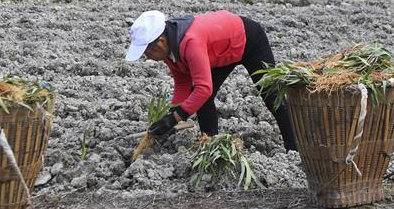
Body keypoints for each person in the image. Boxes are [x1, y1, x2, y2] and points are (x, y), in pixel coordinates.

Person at [125, 10, 297, 151]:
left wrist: (174, 118)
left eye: (147, 52)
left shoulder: (190, 42)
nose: (147, 57)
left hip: (249, 40)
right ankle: (210, 144)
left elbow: (203, 88)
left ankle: (294, 148)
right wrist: (173, 113)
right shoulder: (169, 48)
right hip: (220, 51)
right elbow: (183, 81)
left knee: (271, 96)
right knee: (202, 100)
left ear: (161, 42)